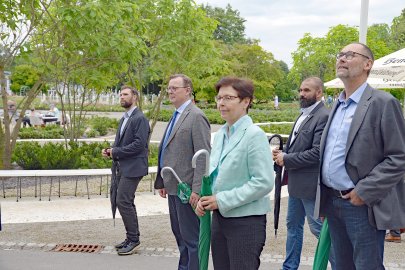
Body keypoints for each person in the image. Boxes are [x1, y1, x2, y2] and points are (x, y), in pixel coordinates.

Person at [314, 43, 405, 270]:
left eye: (350, 55)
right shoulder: (337, 104)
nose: (341, 59)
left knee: (367, 266)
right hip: (333, 201)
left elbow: (399, 156)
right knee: (342, 266)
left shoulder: (383, 103)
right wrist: (324, 200)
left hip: (361, 205)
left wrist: (364, 192)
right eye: (340, 55)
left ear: (367, 64)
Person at [195, 77, 274, 270]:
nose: (221, 103)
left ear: (246, 101)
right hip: (221, 220)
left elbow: (263, 182)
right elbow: (216, 176)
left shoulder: (254, 135)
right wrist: (204, 199)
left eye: (228, 97)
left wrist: (221, 200)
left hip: (246, 223)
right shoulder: (222, 134)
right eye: (219, 98)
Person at [272, 77, 334, 270]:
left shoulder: (323, 116)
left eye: (307, 90)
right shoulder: (303, 114)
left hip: (310, 186)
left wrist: (287, 159)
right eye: (300, 90)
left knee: (318, 230)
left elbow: (317, 153)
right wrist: (283, 154)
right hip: (295, 185)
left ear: (319, 93)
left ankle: (343, 264)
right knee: (293, 227)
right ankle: (289, 267)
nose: (302, 94)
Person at [154, 74, 211, 270]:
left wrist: (197, 190)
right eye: (168, 88)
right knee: (179, 235)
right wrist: (161, 181)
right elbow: (166, 150)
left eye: (174, 88)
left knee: (191, 239)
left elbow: (203, 155)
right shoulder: (176, 114)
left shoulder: (196, 116)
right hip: (173, 187)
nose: (170, 91)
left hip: (187, 189)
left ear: (187, 90)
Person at [101, 85, 150, 256]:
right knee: (124, 200)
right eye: (120, 94)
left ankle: (134, 240)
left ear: (135, 97)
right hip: (123, 166)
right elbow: (122, 144)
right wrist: (110, 150)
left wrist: (116, 152)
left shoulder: (140, 118)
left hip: (134, 167)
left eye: (125, 94)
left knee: (123, 200)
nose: (122, 97)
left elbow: (139, 144)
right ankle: (131, 238)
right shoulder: (125, 119)